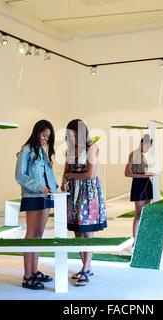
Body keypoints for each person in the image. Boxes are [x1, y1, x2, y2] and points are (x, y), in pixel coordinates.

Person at [61, 119, 107, 287]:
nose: (69, 137)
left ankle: (86, 269)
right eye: (67, 135)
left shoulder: (92, 148)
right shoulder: (68, 151)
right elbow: (65, 172)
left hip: (88, 192)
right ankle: (85, 267)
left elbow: (90, 174)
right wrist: (63, 182)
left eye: (71, 134)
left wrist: (70, 177)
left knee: (87, 230)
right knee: (77, 231)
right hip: (73, 193)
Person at [15, 120, 58, 291]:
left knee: (39, 234)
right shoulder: (25, 150)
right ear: (36, 132)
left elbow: (48, 174)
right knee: (31, 234)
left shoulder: (43, 151)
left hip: (46, 196)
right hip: (33, 195)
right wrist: (40, 187)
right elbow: (20, 176)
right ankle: (27, 276)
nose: (45, 139)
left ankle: (34, 270)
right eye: (43, 135)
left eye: (48, 137)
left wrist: (55, 190)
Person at [124, 134, 155, 241]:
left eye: (149, 147)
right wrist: (145, 175)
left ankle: (144, 237)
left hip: (146, 184)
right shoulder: (135, 154)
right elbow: (127, 173)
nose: (148, 149)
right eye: (147, 147)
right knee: (139, 214)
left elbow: (141, 171)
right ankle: (135, 240)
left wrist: (149, 173)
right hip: (139, 185)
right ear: (142, 143)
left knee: (146, 213)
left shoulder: (142, 155)